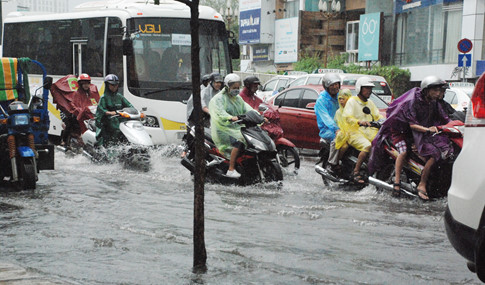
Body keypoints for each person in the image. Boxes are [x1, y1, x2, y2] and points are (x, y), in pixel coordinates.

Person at [368, 75, 452, 200]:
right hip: (401, 131)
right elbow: (412, 124)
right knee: (415, 152)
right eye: (435, 90)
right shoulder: (413, 101)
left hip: (420, 133)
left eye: (440, 91)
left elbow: (445, 118)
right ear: (426, 90)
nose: (438, 93)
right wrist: (428, 130)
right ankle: (403, 182)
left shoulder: (434, 102)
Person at [209, 73, 254, 179]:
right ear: (227, 87)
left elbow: (248, 109)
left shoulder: (238, 99)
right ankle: (231, 169)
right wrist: (230, 118)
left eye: (238, 88)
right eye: (234, 88)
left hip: (235, 128)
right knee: (240, 141)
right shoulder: (219, 99)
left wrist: (258, 116)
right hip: (223, 129)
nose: (236, 90)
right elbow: (219, 112)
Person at [342, 76, 383, 184]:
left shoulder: (370, 103)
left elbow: (378, 116)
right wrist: (359, 122)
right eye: (366, 88)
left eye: (370, 88)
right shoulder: (352, 101)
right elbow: (347, 117)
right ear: (359, 88)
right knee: (367, 146)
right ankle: (356, 171)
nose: (369, 91)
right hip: (354, 131)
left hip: (369, 131)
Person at [95, 74, 134, 147]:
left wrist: (137, 112)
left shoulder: (119, 97)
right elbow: (101, 110)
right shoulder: (104, 98)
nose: (114, 87)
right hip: (108, 123)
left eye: (116, 85)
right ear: (107, 85)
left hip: (120, 121)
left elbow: (129, 105)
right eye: (112, 85)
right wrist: (109, 113)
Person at [314, 73, 341, 173]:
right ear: (326, 87)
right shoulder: (321, 101)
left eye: (336, 84)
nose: (335, 87)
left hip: (342, 127)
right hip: (328, 130)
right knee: (340, 139)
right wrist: (336, 129)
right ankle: (332, 164)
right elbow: (327, 119)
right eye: (332, 85)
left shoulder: (340, 97)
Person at [332, 89, 352, 167]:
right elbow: (335, 123)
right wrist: (338, 130)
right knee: (344, 146)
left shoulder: (352, 110)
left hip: (352, 133)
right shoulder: (338, 112)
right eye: (339, 99)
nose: (341, 101)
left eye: (343, 99)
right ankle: (337, 162)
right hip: (342, 134)